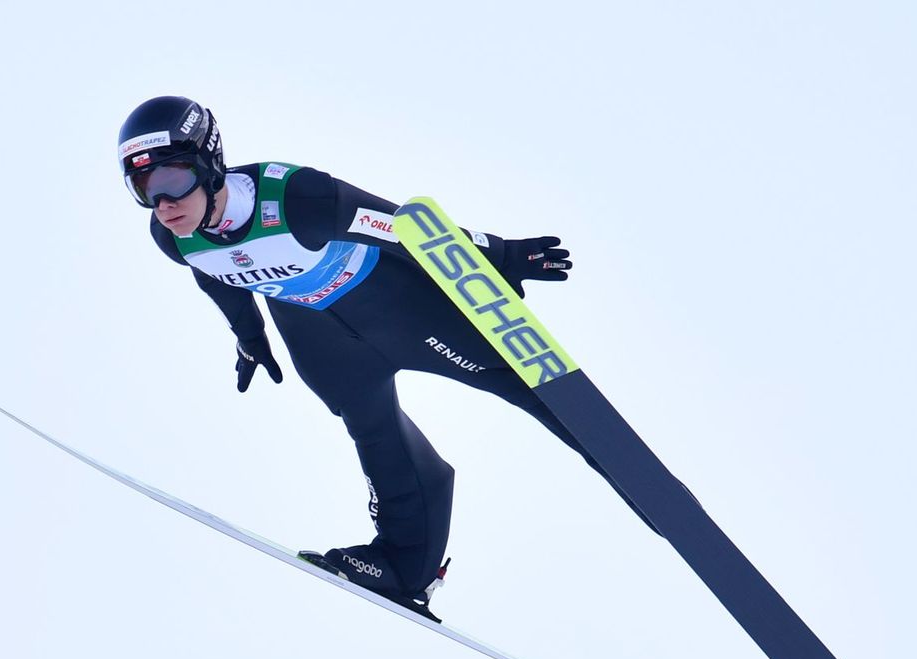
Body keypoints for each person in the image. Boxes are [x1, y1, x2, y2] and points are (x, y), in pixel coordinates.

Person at [118, 95, 653, 619]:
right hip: (321, 338)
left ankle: (641, 485)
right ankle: (403, 566)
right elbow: (218, 278)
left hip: (398, 310)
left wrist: (499, 254)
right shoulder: (175, 239)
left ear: (210, 164)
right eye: (144, 189)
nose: (162, 204)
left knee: (527, 387)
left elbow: (403, 228)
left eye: (171, 181)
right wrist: (249, 336)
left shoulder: (297, 198)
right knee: (376, 435)